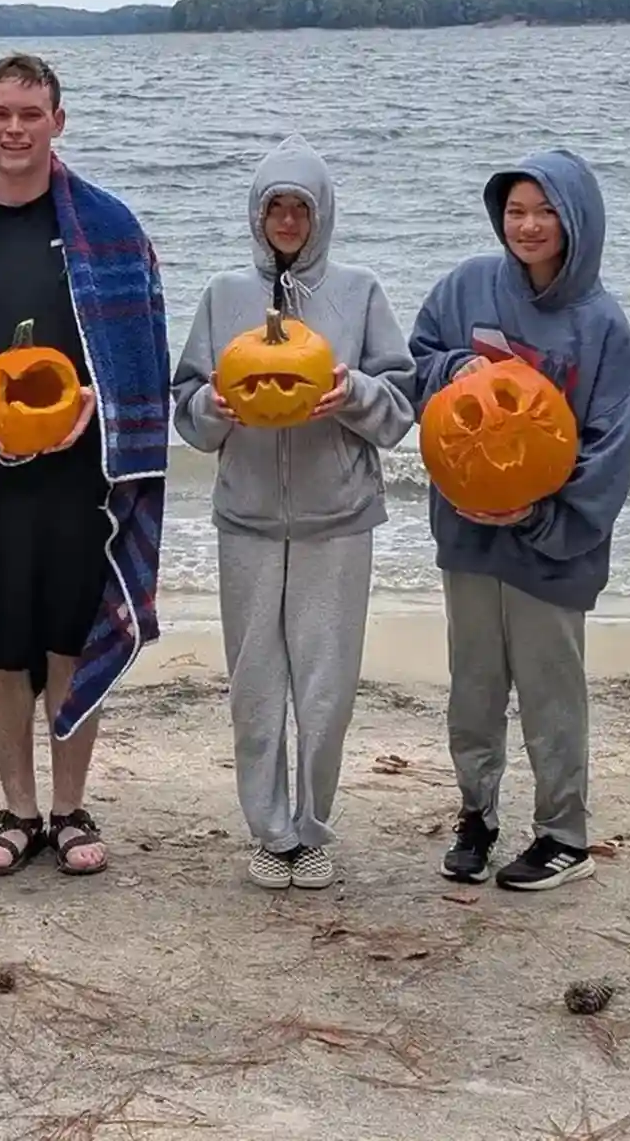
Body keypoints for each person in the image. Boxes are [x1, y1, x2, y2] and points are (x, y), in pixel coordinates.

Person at [0, 53, 168, 879]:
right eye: (0, 113)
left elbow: (143, 354)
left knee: (69, 637)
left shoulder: (111, 226)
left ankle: (69, 805)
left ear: (59, 120)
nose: (15, 128)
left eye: (30, 113)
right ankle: (16, 807)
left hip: (81, 473)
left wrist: (99, 397)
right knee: (1, 646)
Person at [172, 135, 415, 890]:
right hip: (246, 518)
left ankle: (312, 828)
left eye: (299, 208)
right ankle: (267, 831)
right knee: (255, 686)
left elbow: (402, 407)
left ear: (321, 215)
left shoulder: (361, 291)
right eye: (273, 206)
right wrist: (213, 406)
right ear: (256, 214)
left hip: (336, 520)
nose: (286, 220)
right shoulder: (222, 295)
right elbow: (185, 407)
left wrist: (358, 398)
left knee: (324, 686)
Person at [408, 147, 630, 891]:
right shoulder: (467, 286)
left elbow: (611, 443)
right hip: (471, 532)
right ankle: (476, 815)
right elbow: (414, 363)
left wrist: (542, 514)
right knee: (473, 686)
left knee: (550, 692)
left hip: (551, 546)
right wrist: (452, 370)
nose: (529, 225)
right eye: (516, 211)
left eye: (545, 211)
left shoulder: (602, 324)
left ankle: (563, 835)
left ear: (575, 220)